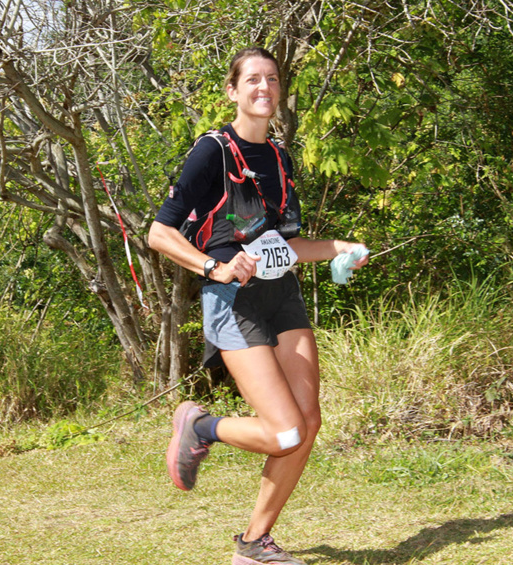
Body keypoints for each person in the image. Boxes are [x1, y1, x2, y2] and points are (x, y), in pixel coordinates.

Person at [148, 46, 368, 565]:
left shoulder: (280, 157)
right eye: (252, 79)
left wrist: (339, 248)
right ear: (233, 90)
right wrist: (212, 267)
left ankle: (253, 544)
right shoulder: (212, 152)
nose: (264, 87)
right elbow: (159, 232)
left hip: (282, 296)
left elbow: (282, 245)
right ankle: (201, 427)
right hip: (232, 301)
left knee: (307, 424)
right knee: (283, 430)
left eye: (273, 78)